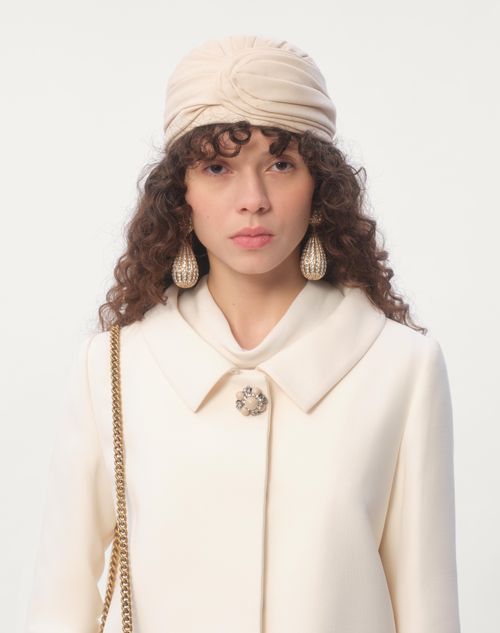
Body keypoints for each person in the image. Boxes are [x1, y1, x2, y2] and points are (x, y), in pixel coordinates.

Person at [24, 35, 461, 633]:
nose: (252, 200)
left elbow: (427, 608)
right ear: (181, 195)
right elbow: (59, 603)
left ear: (321, 188)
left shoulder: (402, 367)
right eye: (217, 167)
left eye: (280, 165)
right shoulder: (112, 366)